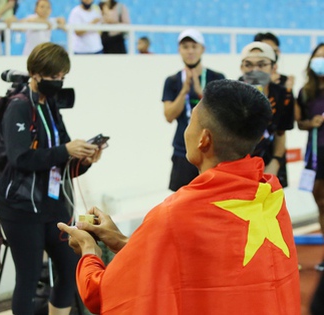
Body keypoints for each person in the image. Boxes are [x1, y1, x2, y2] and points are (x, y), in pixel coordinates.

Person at [58, 79, 301, 314]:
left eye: (191, 122)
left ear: (203, 139)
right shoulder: (270, 195)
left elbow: (100, 293)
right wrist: (120, 240)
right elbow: (193, 267)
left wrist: (89, 249)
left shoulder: (175, 214)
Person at [0, 42, 103, 315]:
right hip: (21, 209)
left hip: (53, 206)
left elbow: (61, 161)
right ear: (35, 73)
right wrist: (66, 150)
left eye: (62, 77)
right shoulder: (19, 107)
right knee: (29, 280)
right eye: (53, 77)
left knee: (69, 270)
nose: (58, 82)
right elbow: (19, 158)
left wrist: (85, 159)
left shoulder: (50, 104)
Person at [162, 29, 225, 191]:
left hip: (211, 151)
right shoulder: (172, 81)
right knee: (180, 202)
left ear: (202, 49)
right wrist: (184, 91)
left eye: (193, 46)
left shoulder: (216, 77)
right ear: (179, 50)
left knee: (212, 198)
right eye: (185, 47)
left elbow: (221, 113)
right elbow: (169, 115)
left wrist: (199, 91)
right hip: (182, 150)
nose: (190, 51)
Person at [239, 41, 294, 187]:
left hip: (270, 160)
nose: (255, 70)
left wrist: (275, 162)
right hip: (238, 163)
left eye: (262, 65)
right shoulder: (232, 93)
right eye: (248, 65)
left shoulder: (283, 95)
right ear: (241, 67)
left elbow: (280, 133)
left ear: (273, 67)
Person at [295, 43, 324, 272]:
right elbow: (299, 122)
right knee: (321, 204)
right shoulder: (305, 91)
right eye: (318, 56)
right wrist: (310, 123)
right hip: (315, 155)